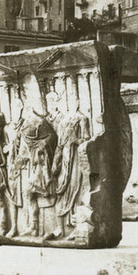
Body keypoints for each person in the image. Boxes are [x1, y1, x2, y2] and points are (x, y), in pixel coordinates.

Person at [12, 98, 57, 237]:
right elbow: (24, 148)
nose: (24, 112)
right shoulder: (25, 125)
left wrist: (41, 145)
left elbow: (52, 137)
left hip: (42, 163)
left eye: (27, 109)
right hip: (33, 164)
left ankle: (36, 225)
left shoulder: (41, 123)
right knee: (28, 193)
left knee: (28, 191)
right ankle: (34, 226)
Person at [51, 93, 91, 238]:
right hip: (64, 158)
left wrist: (75, 140)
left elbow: (87, 140)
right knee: (61, 190)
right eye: (70, 100)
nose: (72, 103)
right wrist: (57, 157)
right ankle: (59, 227)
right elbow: (59, 142)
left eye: (75, 100)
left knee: (75, 190)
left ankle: (76, 227)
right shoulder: (64, 119)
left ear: (79, 102)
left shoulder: (82, 118)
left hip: (75, 160)